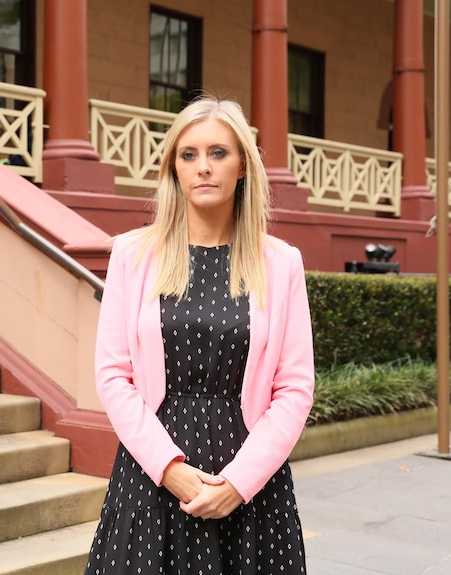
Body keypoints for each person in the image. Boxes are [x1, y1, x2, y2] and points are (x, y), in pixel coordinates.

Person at [85, 96, 315, 574]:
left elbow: (294, 388)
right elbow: (113, 374)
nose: (203, 168)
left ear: (243, 168)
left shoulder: (281, 262)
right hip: (152, 476)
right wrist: (171, 471)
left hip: (249, 484)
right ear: (173, 168)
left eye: (218, 153)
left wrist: (238, 482)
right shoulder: (131, 255)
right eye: (188, 155)